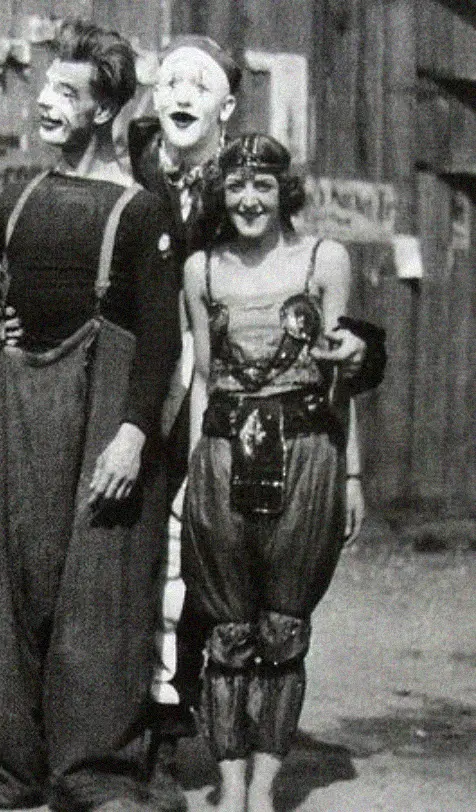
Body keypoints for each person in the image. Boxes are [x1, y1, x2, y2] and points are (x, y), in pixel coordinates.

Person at [126, 35, 385, 745]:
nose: (180, 95)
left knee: (222, 569)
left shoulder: (247, 184)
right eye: (168, 81)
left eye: (198, 85)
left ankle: (209, 729)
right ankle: (140, 723)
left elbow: (322, 326)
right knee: (145, 556)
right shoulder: (134, 177)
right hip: (150, 384)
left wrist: (364, 358)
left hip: (242, 397)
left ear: (227, 107)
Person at [0, 19, 184, 812]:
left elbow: (162, 336)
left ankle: (98, 773)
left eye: (67, 93)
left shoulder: (142, 212)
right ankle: (15, 764)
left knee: (100, 598)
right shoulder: (17, 200)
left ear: (102, 111)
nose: (48, 103)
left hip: (104, 421)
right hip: (24, 414)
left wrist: (133, 433)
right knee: (24, 587)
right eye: (47, 89)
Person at [181, 133, 367, 812]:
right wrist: (191, 475)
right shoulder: (200, 270)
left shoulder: (325, 259)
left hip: (310, 451)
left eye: (262, 185)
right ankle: (229, 791)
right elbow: (202, 378)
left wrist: (351, 476)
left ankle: (263, 791)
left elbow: (343, 377)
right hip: (225, 452)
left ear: (283, 191)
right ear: (220, 194)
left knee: (283, 629)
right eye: (235, 187)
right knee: (228, 632)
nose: (249, 200)